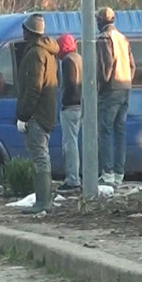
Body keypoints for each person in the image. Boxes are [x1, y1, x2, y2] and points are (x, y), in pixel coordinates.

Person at [16, 14, 60, 213]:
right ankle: (44, 200)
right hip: (45, 112)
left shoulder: (36, 54)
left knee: (40, 157)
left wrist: (24, 114)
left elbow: (34, 87)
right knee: (42, 155)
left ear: (29, 32)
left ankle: (43, 201)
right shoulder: (48, 53)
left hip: (37, 114)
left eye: (25, 30)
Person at [96, 7, 135, 186]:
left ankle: (108, 173)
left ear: (102, 21)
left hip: (111, 89)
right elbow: (132, 65)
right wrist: (126, 81)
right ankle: (119, 173)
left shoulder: (105, 38)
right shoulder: (122, 38)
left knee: (105, 131)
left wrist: (100, 87)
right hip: (125, 87)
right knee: (120, 132)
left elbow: (106, 67)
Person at [57, 34, 82, 194]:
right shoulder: (79, 58)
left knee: (69, 143)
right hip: (81, 105)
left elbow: (71, 83)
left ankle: (72, 179)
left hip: (71, 106)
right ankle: (75, 177)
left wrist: (65, 102)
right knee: (74, 142)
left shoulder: (68, 61)